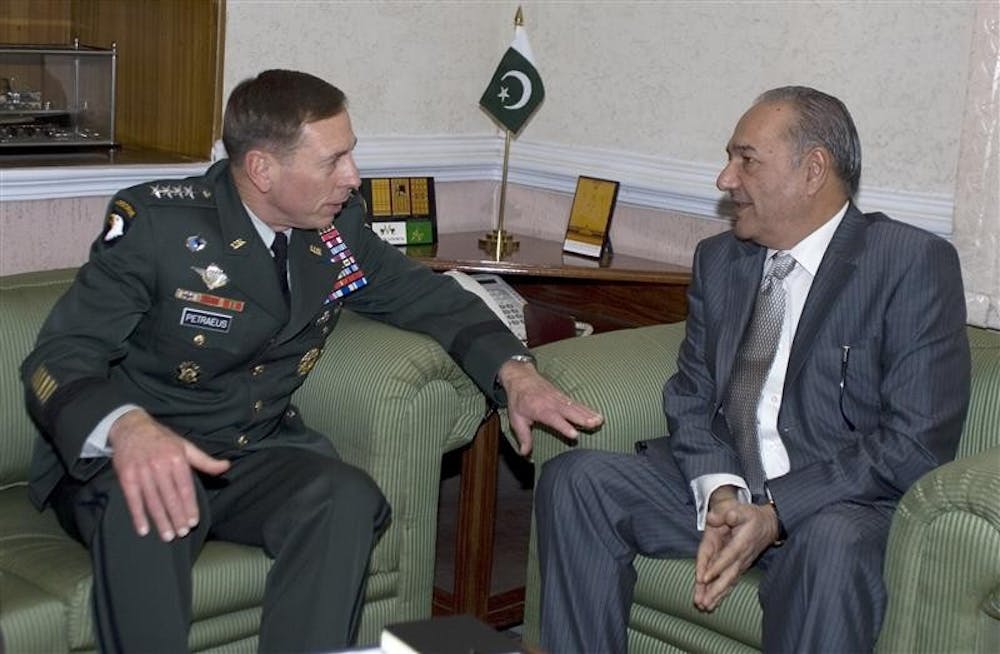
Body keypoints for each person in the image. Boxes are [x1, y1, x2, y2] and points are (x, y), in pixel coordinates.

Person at [20, 69, 603, 653]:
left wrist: (515, 372)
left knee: (346, 498)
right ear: (262, 170)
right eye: (333, 161)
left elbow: (425, 296)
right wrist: (127, 427)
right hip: (140, 456)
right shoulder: (159, 225)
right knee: (160, 508)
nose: (353, 177)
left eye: (351, 154)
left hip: (250, 452)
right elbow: (59, 357)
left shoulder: (334, 228)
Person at [535, 86, 970, 653]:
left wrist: (777, 511)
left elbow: (913, 443)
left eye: (746, 160)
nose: (725, 179)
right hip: (737, 484)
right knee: (577, 481)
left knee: (831, 544)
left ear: (812, 170)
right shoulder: (721, 261)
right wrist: (720, 492)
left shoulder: (908, 263)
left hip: (839, 506)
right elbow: (690, 396)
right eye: (728, 158)